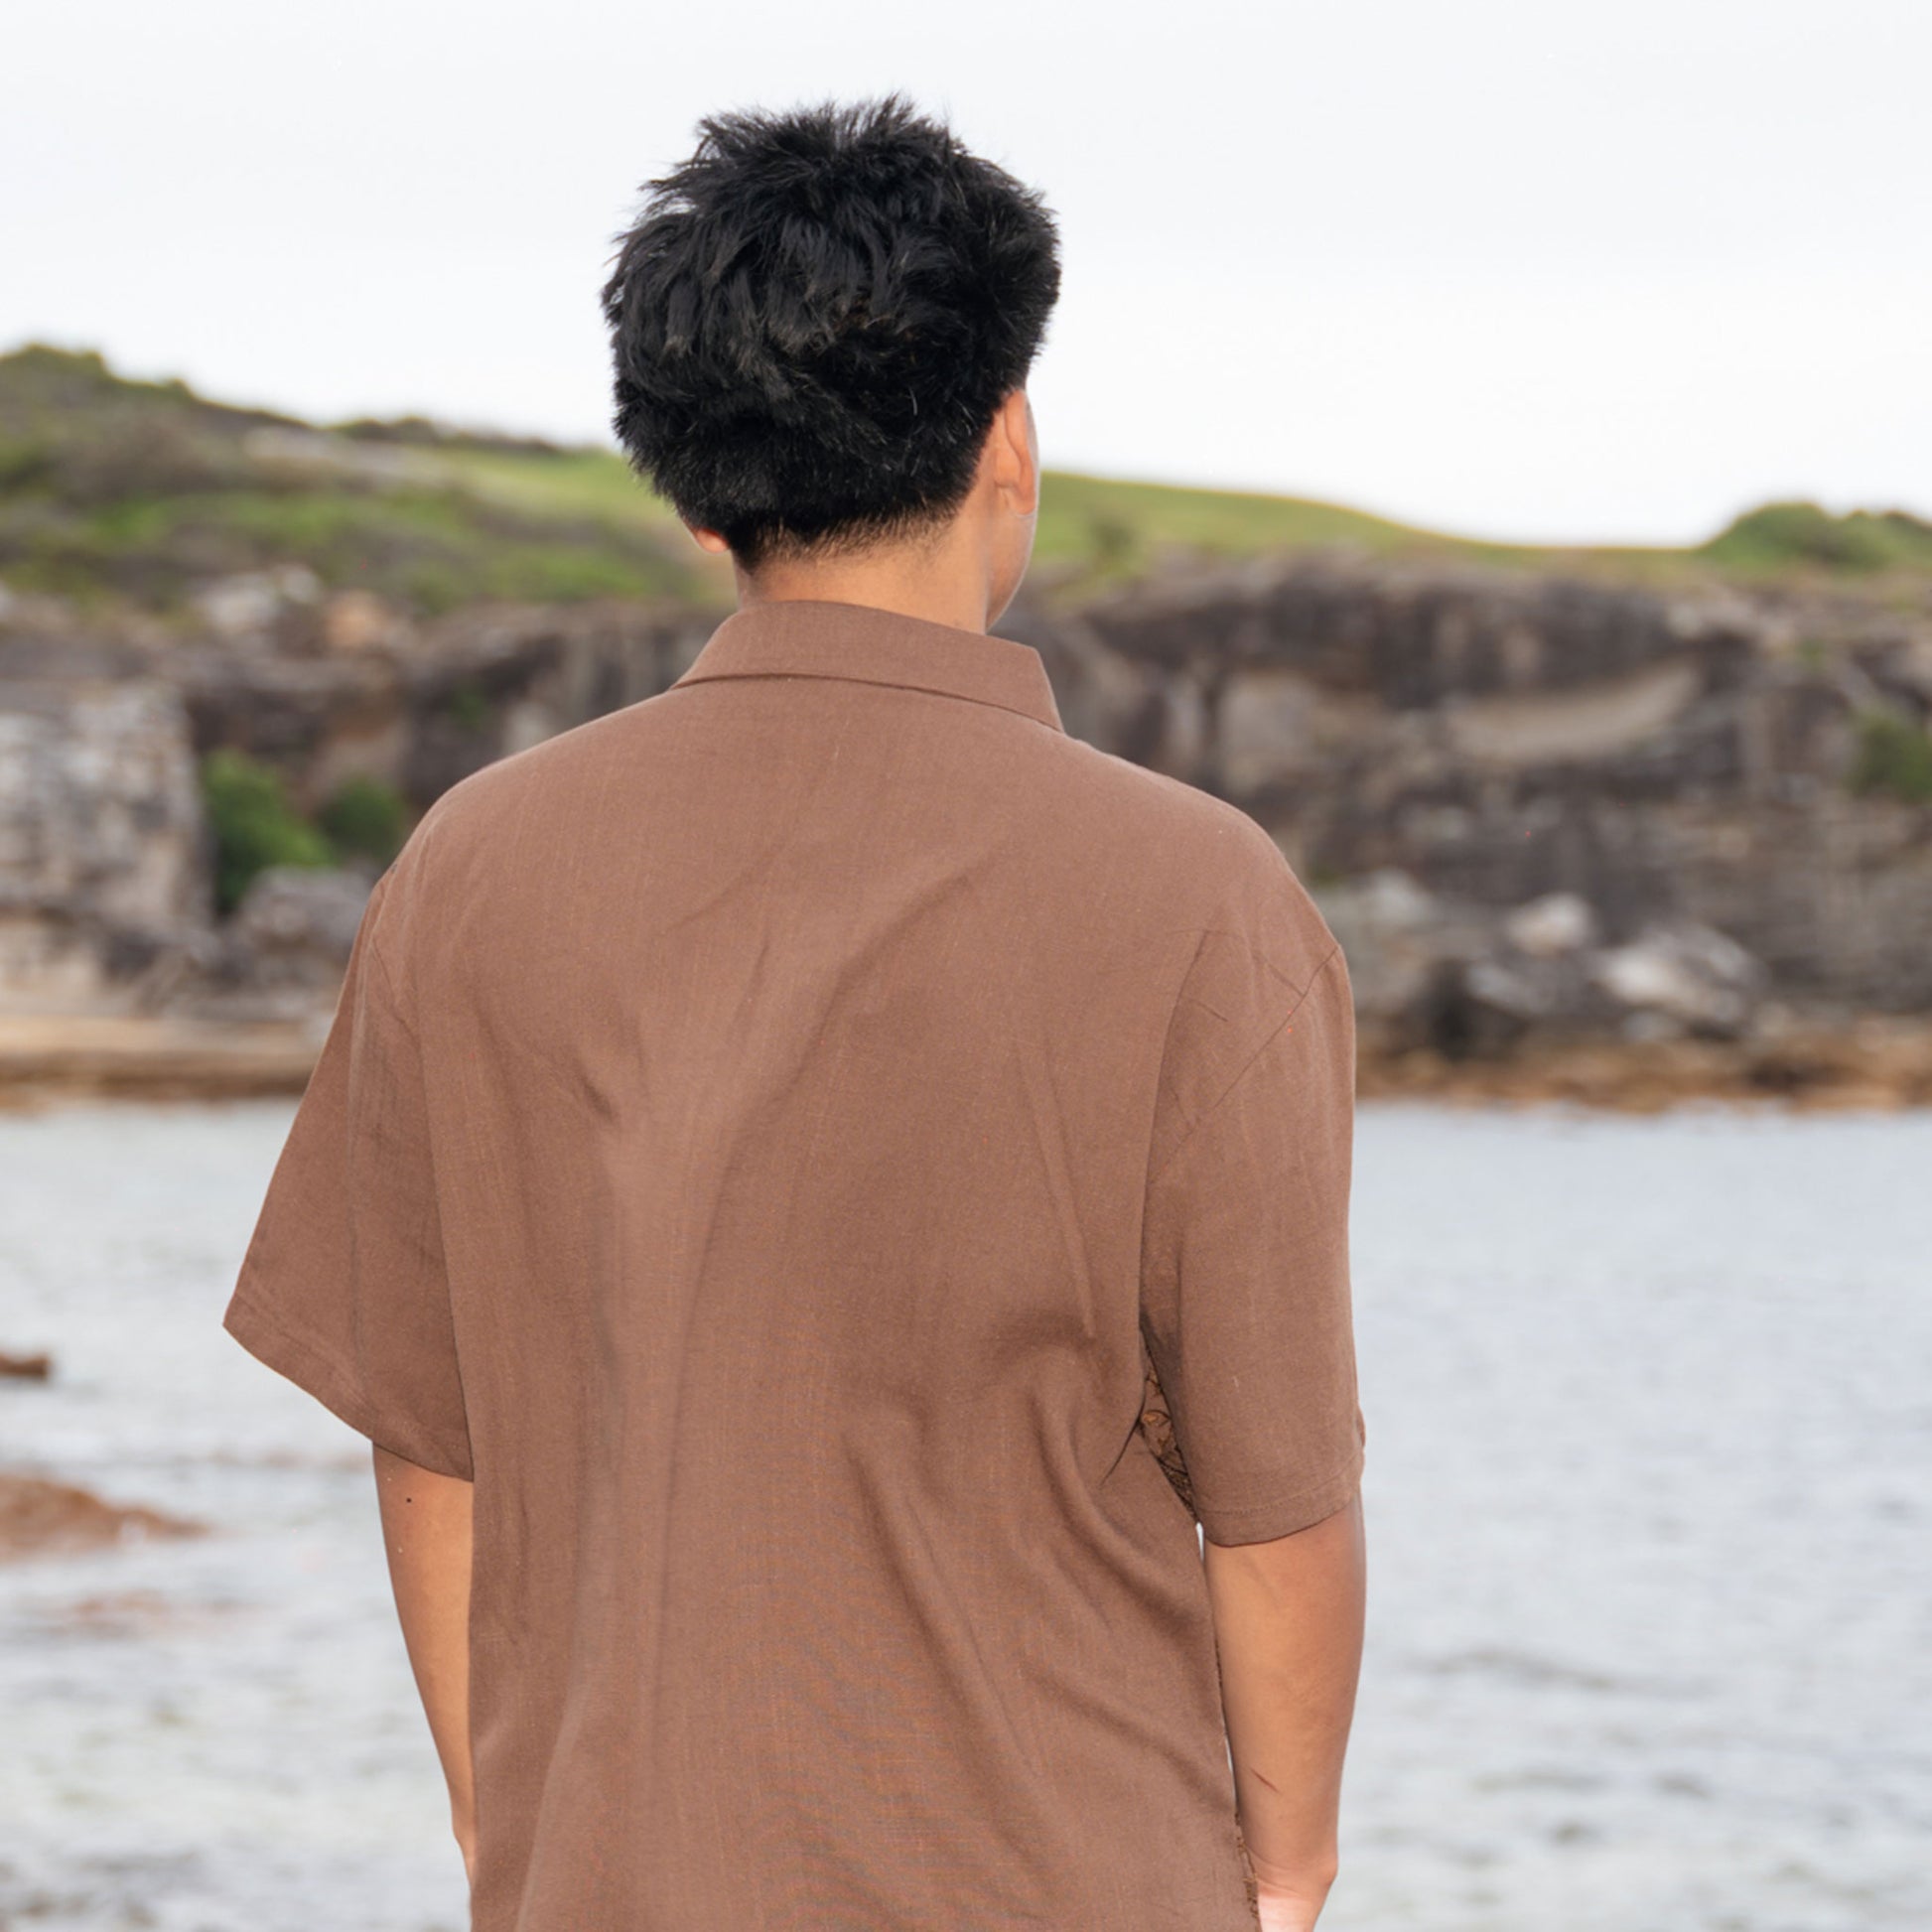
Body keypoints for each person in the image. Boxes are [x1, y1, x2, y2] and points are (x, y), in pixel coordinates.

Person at [222, 90, 1367, 1932]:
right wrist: (1286, 1872)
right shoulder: (1200, 895)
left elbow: (431, 1442)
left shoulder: (472, 864)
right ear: (1007, 434)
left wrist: (514, 1834)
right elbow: (1277, 1497)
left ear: (693, 494)